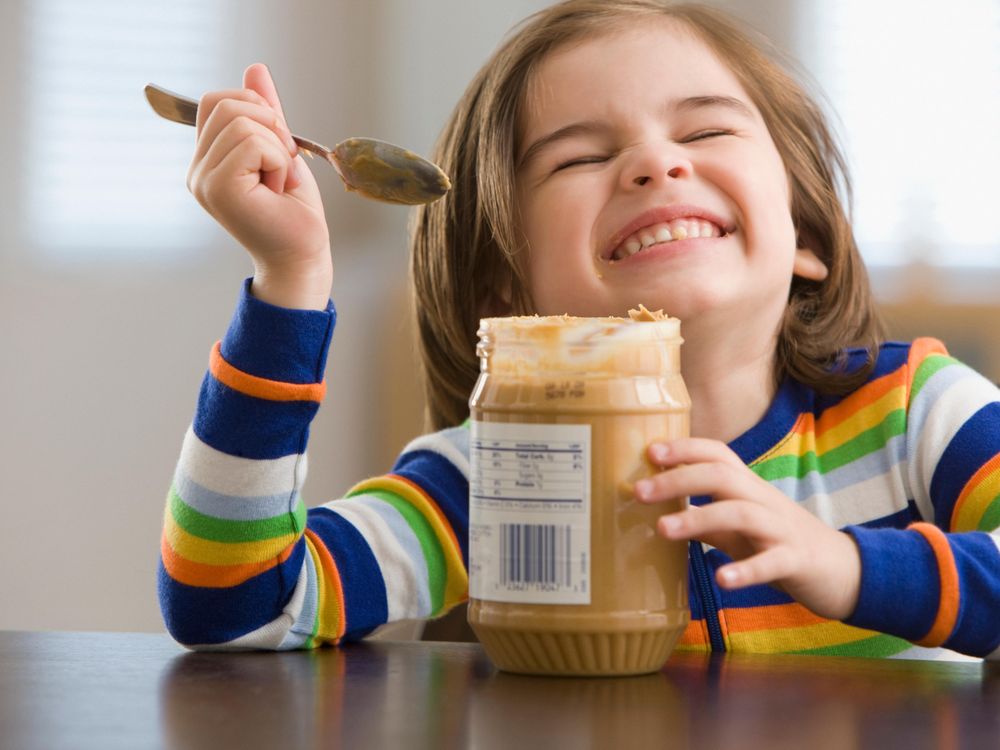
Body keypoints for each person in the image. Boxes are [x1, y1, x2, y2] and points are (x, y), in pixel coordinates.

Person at [159, 0, 1000, 659]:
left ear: (806, 235)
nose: (654, 162)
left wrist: (847, 567)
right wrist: (291, 281)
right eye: (579, 158)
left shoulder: (917, 413)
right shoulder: (493, 476)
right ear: (504, 287)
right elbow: (236, 608)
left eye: (704, 130)